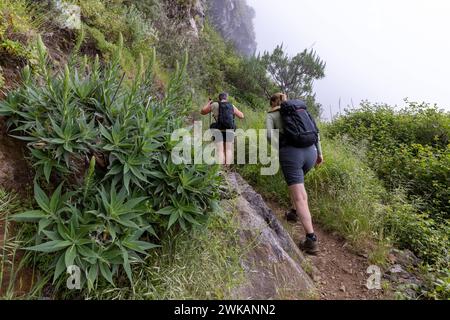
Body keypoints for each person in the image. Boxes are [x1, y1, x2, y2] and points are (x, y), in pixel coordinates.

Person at [266, 93, 323, 254]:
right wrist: (320, 153)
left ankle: (311, 240)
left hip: (292, 155)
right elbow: (316, 131)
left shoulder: (272, 115)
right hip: (311, 153)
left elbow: (270, 135)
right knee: (298, 183)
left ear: (272, 103)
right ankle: (293, 213)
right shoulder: (300, 109)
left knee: (299, 196)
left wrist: (282, 148)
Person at [201, 93, 244, 166]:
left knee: (220, 150)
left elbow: (202, 111)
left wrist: (209, 103)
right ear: (226, 98)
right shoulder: (231, 106)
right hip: (230, 129)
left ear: (219, 98)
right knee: (228, 150)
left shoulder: (214, 105)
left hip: (218, 129)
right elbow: (241, 116)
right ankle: (227, 168)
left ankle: (221, 169)